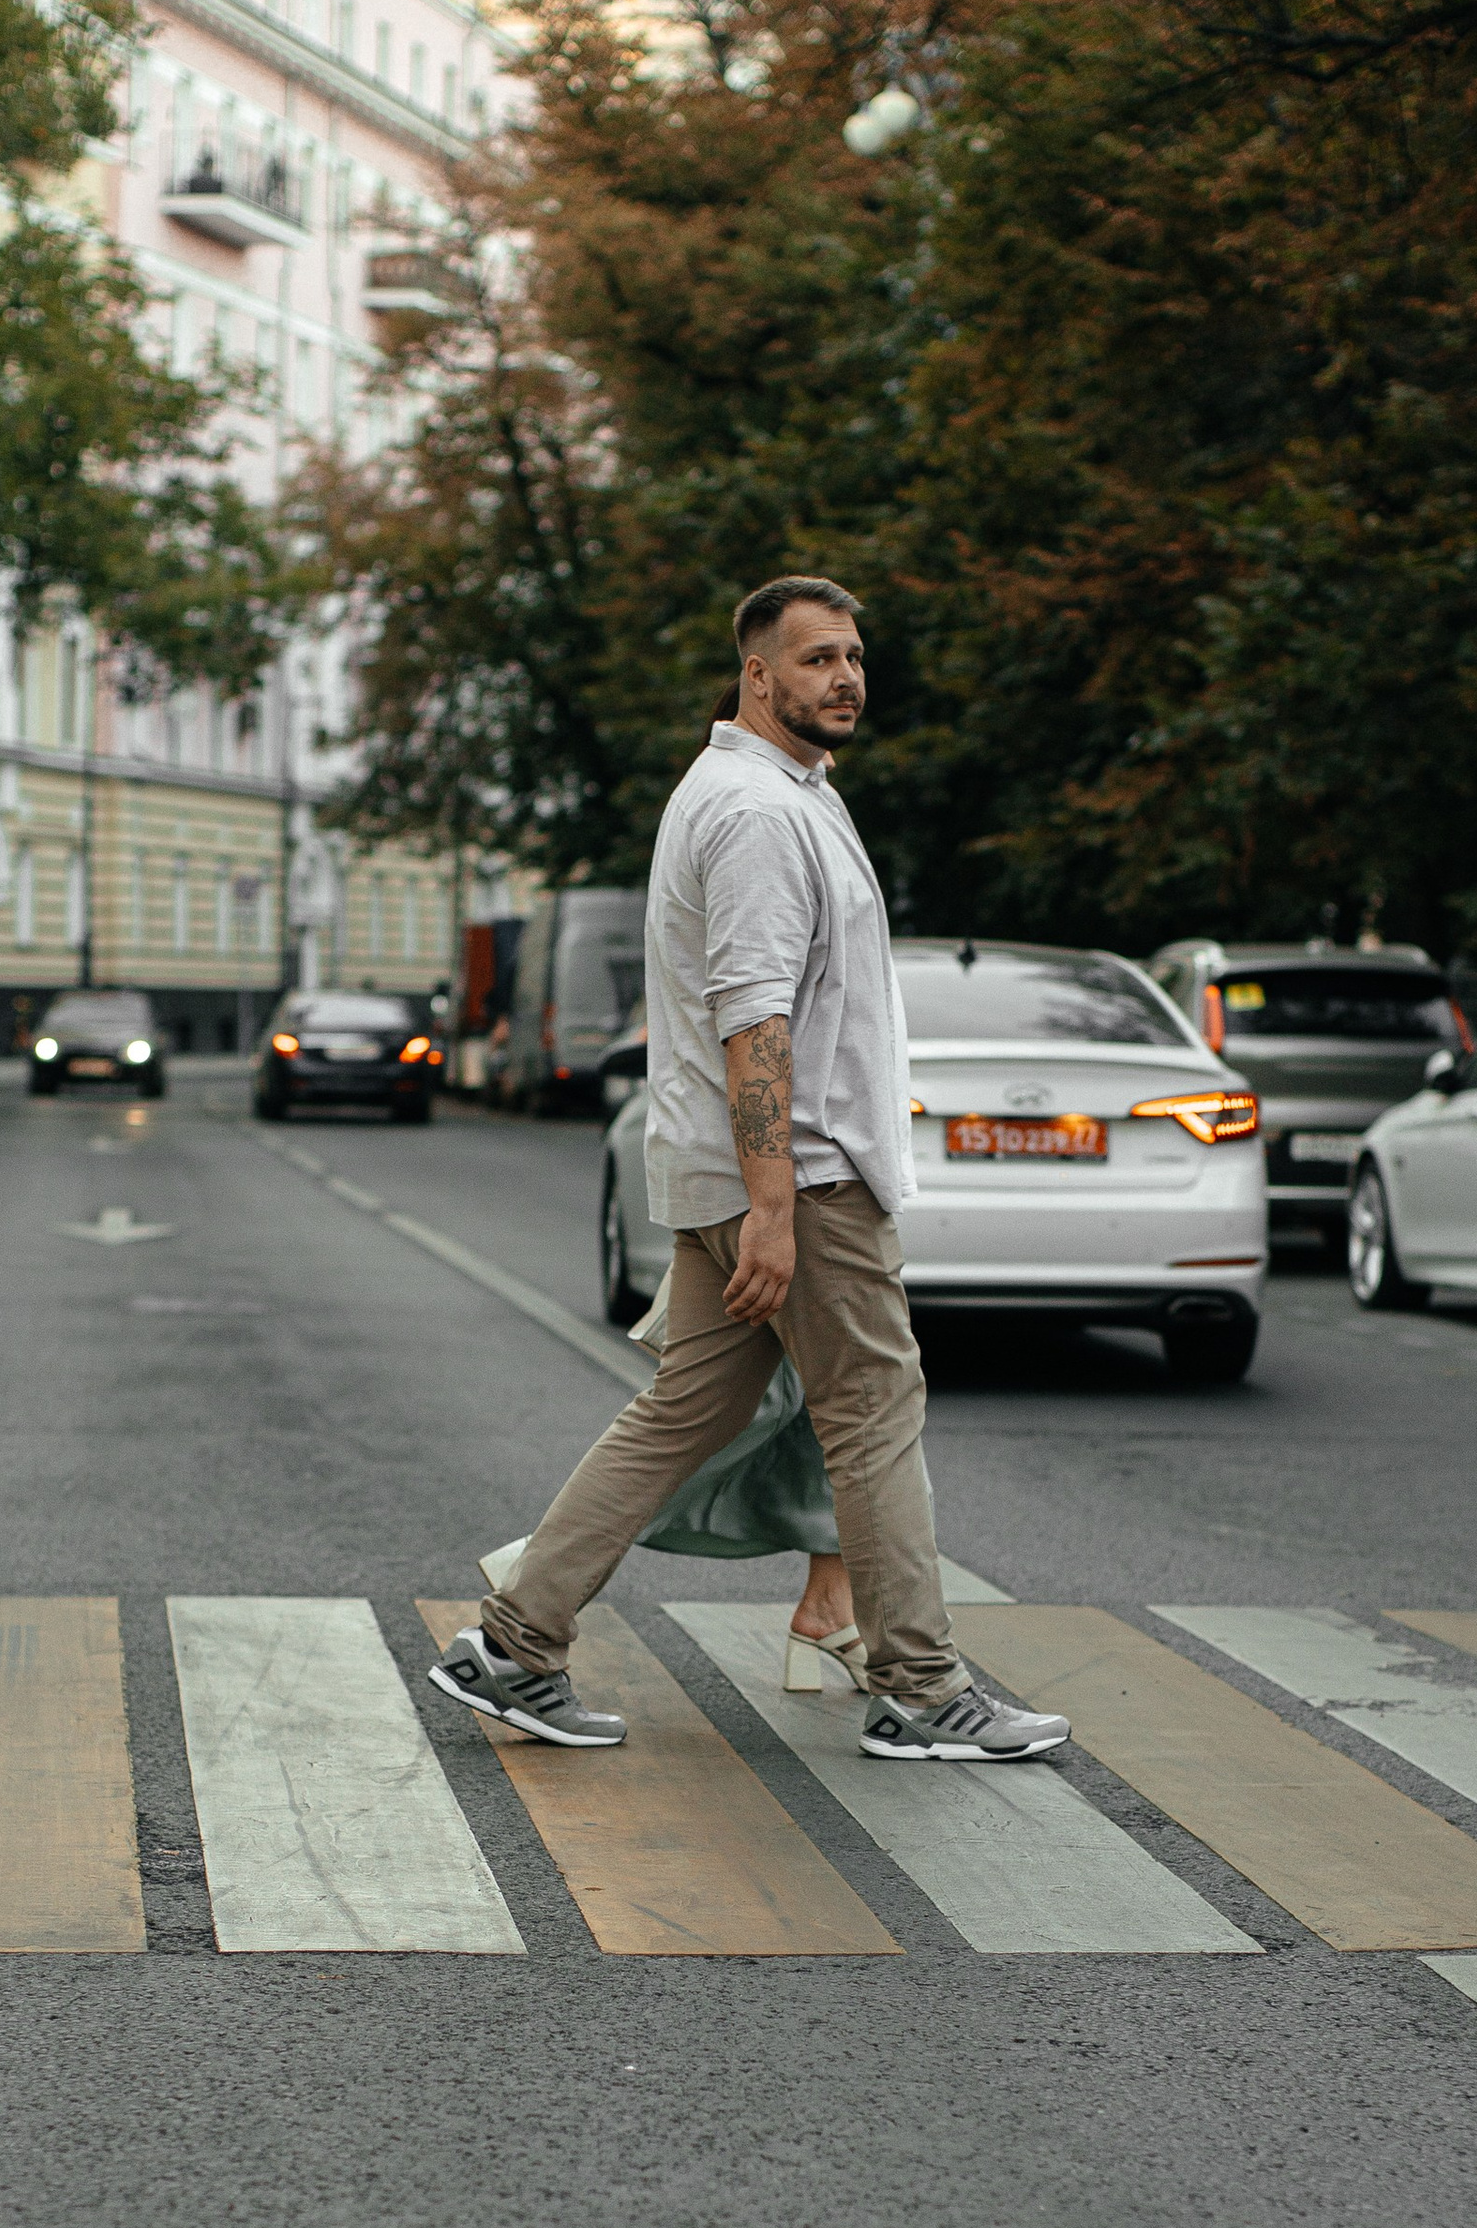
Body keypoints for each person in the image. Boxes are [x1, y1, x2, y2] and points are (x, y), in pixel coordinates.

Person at [433, 575, 1068, 1764]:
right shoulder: (759, 815)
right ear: (757, 676)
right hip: (801, 1184)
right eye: (818, 659)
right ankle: (922, 1689)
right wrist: (775, 1207)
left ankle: (515, 1645)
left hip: (751, 1177)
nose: (845, 679)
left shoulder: (781, 793)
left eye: (854, 657)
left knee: (685, 1411)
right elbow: (753, 1023)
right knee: (874, 1414)